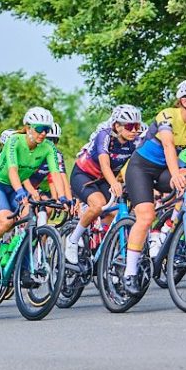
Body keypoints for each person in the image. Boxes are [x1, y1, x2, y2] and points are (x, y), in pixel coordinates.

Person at [120, 80, 186, 294]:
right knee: (146, 216)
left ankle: (170, 226)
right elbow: (168, 145)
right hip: (141, 168)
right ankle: (129, 272)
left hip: (163, 170)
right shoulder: (167, 115)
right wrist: (176, 173)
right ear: (184, 102)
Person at [0, 107, 67, 277]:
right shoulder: (15, 141)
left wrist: (62, 197)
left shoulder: (48, 147)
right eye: (39, 129)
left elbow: (56, 173)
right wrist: (20, 191)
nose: (43, 133)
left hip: (16, 188)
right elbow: (12, 171)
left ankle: (24, 268)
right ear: (27, 127)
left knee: (29, 221)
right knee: (6, 222)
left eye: (46, 129)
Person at [65, 105, 142, 264]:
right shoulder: (104, 136)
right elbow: (105, 165)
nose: (134, 130)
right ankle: (72, 240)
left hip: (103, 180)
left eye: (137, 126)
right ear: (117, 126)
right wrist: (114, 183)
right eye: (129, 126)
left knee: (116, 215)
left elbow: (138, 165)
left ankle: (106, 254)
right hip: (84, 175)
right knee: (98, 205)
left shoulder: (135, 141)